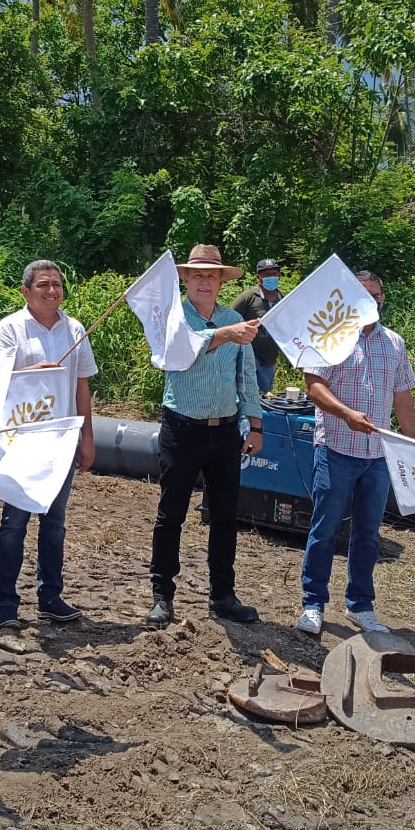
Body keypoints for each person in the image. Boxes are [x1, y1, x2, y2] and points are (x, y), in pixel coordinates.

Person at [147, 245, 264, 628]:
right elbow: (185, 352)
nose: (204, 281)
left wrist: (255, 424)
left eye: (211, 275)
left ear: (220, 281)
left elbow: (247, 376)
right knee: (171, 514)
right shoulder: (174, 316)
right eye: (196, 274)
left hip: (225, 430)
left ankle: (222, 595)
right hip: (182, 428)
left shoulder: (234, 319)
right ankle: (162, 593)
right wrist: (228, 333)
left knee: (226, 516)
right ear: (185, 278)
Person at [296, 270, 415, 637]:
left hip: (377, 456)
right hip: (336, 449)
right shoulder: (331, 336)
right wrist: (346, 414)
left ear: (382, 299)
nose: (372, 300)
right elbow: (314, 387)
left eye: (377, 295)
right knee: (325, 529)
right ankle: (313, 603)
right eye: (364, 294)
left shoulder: (394, 343)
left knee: (368, 533)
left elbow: (403, 397)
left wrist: (411, 444)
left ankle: (360, 605)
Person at [0, 260, 97, 628]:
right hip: (21, 440)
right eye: (43, 285)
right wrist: (26, 373)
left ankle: (50, 595)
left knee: (54, 523)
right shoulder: (10, 329)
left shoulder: (75, 329)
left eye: (57, 285)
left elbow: (82, 385)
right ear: (25, 291)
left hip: (61, 441)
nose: (52, 291)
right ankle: (6, 602)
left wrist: (87, 437)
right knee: (14, 522)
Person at [232, 259, 285, 395]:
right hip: (248, 356)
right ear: (258, 277)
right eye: (267, 275)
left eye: (274, 274)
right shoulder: (247, 298)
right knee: (247, 395)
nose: (272, 277)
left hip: (269, 358)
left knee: (265, 397)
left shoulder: (283, 299)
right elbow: (230, 321)